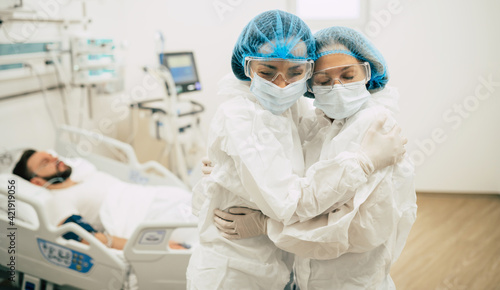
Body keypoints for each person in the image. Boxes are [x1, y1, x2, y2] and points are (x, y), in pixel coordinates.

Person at [186, 10, 406, 290]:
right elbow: (290, 202)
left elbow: (360, 227)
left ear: (307, 71)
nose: (281, 85)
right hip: (234, 271)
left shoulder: (300, 109)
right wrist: (363, 161)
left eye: (295, 73)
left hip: (291, 267)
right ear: (247, 66)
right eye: (267, 72)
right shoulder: (241, 116)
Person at [12, 149, 195, 250]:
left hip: (155, 196)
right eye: (45, 163)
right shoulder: (58, 200)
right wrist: (158, 246)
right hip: (145, 218)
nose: (55, 159)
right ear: (36, 181)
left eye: (52, 156)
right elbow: (87, 238)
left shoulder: (85, 175)